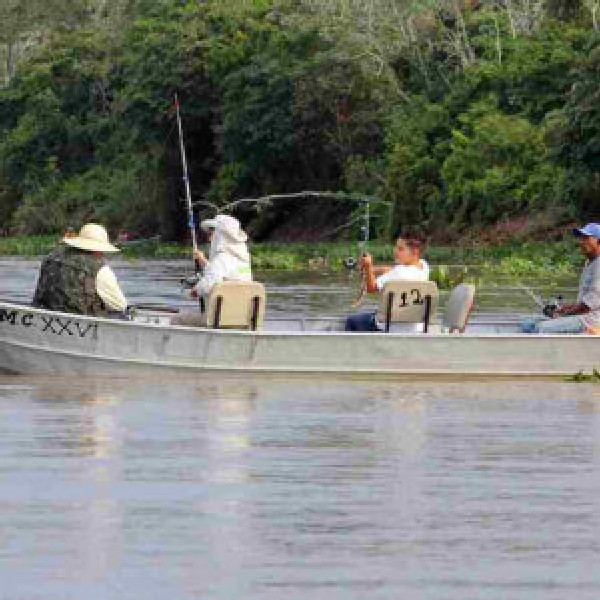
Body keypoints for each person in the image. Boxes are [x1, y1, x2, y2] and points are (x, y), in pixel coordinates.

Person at [32, 223, 128, 316]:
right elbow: (120, 306)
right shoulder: (101, 269)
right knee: (122, 314)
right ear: (99, 249)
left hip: (42, 312)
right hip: (82, 320)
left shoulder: (51, 257)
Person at [173, 214, 251, 326]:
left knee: (177, 319)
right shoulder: (244, 263)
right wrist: (203, 260)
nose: (209, 239)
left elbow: (205, 286)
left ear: (221, 235)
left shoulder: (221, 259)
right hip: (242, 320)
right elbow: (222, 273)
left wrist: (192, 292)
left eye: (212, 234)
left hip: (218, 320)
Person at [521, 223, 600, 334]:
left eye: (586, 238)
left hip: (591, 320)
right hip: (582, 316)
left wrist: (562, 314)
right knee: (527, 324)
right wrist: (564, 309)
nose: (582, 242)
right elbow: (583, 303)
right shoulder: (590, 262)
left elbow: (589, 306)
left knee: (541, 328)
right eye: (581, 238)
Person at [345, 236, 430, 332]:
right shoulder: (424, 266)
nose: (395, 251)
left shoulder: (398, 273)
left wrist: (368, 267)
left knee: (351, 320)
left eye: (400, 249)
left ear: (415, 252)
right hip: (416, 327)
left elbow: (372, 288)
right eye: (396, 247)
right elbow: (395, 270)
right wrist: (375, 270)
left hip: (390, 325)